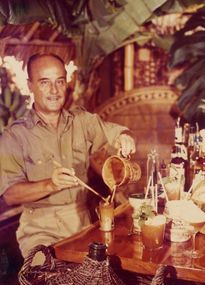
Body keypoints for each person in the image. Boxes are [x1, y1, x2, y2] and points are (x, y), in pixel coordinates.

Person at [0, 53, 136, 260]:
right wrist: (51, 184)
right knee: (52, 278)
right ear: (30, 85)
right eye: (45, 82)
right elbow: (10, 194)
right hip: (39, 229)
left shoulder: (82, 120)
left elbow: (114, 132)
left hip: (81, 223)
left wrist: (124, 137)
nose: (54, 91)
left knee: (102, 276)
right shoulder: (14, 136)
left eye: (59, 82)